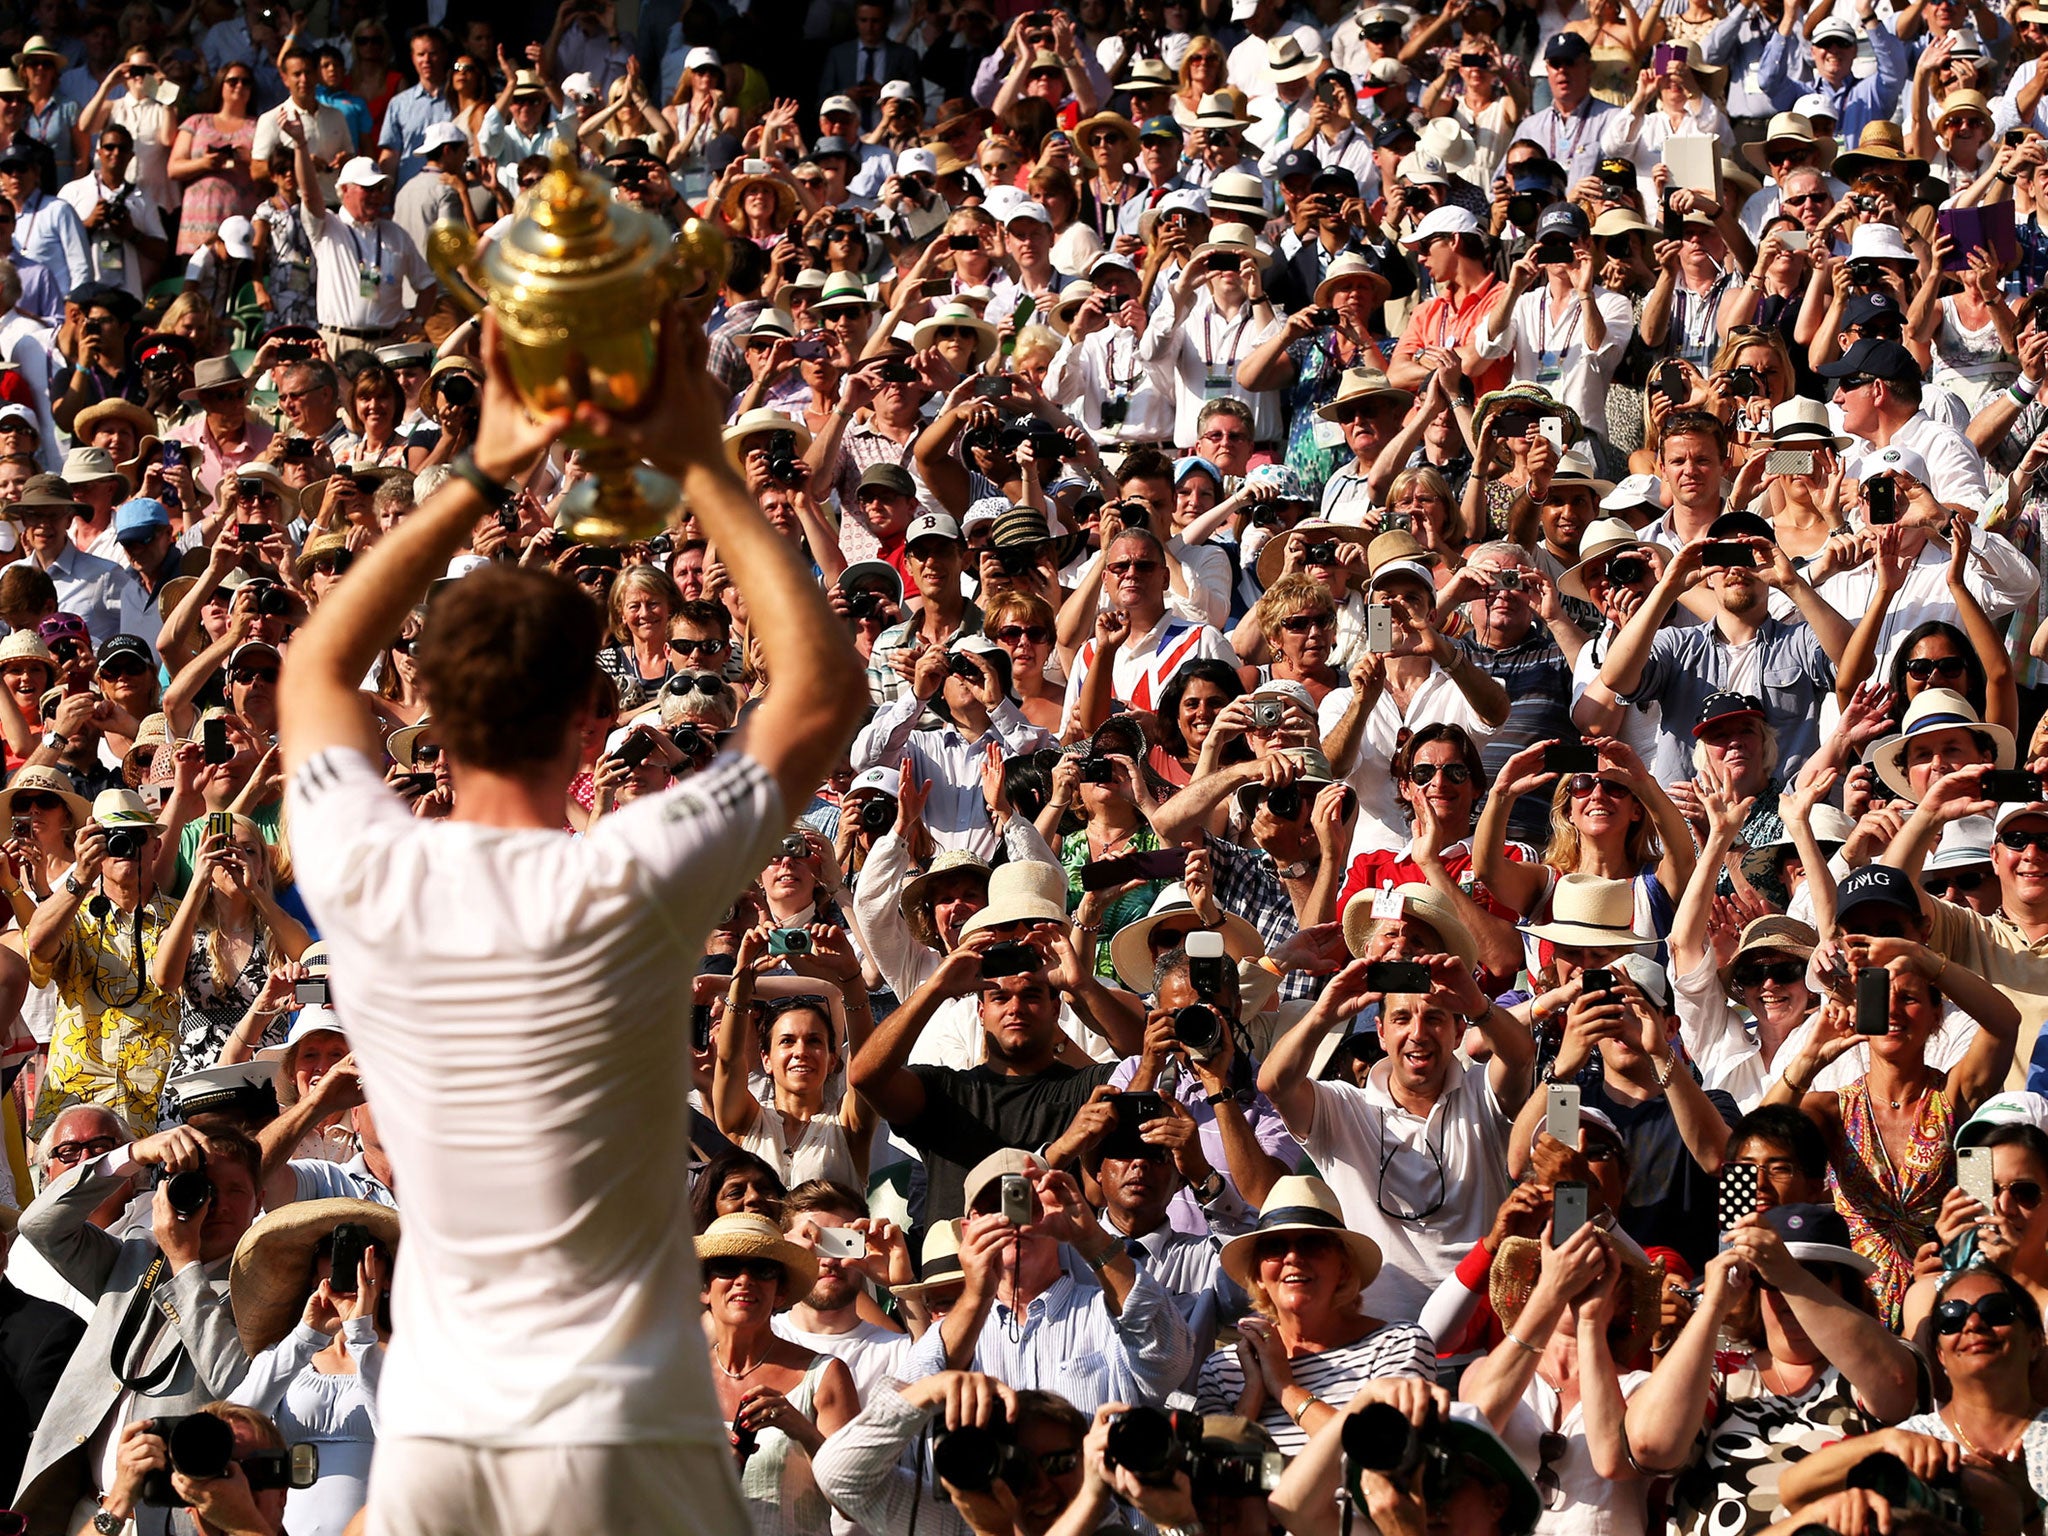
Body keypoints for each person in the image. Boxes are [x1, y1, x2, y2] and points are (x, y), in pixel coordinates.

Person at [275, 300, 866, 1536]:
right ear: (592, 728)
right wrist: (700, 457)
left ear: (427, 710)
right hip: (621, 1432)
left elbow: (317, 669)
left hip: (437, 1433)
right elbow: (821, 690)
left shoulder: (369, 870)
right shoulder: (625, 880)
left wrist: (480, 468)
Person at [14, 1122, 261, 1535]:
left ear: (260, 1201)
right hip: (84, 1507)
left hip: (170, 1520)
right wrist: (130, 1156)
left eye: (235, 1190)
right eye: (205, 1189)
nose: (216, 1205)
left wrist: (186, 1265)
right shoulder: (136, 1258)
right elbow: (40, 1225)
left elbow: (237, 1382)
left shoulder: (264, 1289)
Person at [694, 1210, 858, 1536]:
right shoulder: (679, 1380)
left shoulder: (824, 1375)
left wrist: (800, 1428)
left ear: (780, 1292)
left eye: (762, 1269)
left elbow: (855, 1501)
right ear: (704, 1287)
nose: (744, 1279)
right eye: (727, 1266)